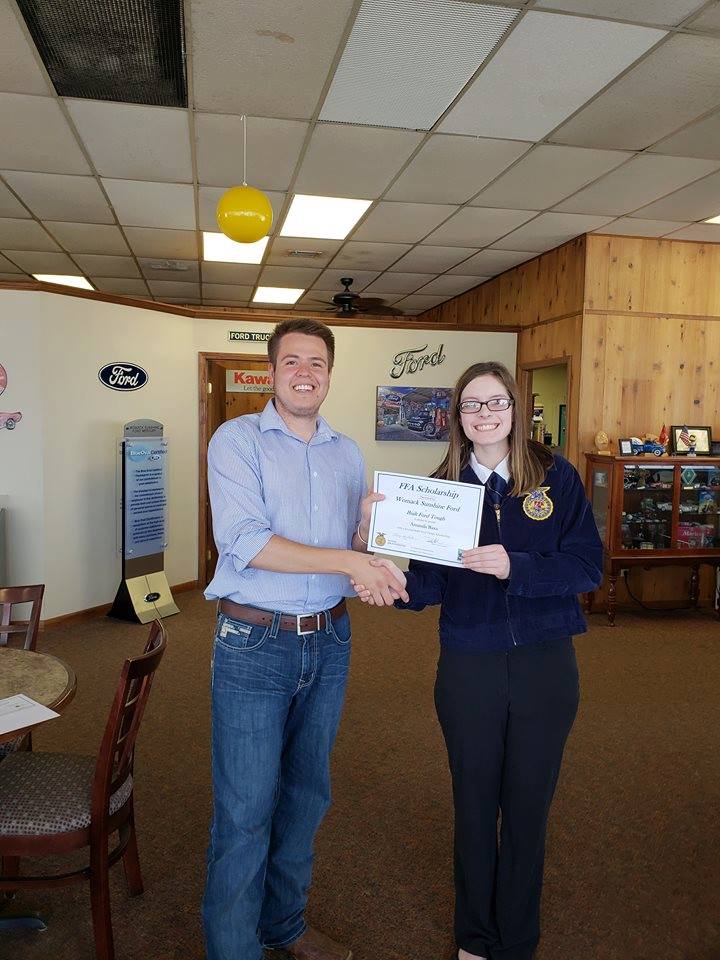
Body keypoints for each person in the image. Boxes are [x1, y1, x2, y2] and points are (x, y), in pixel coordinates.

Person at [355, 361, 603, 960]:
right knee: (473, 803)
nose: (485, 414)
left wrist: (517, 566)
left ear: (516, 410)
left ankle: (515, 940)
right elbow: (430, 589)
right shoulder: (439, 488)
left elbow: (587, 566)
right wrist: (376, 564)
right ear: (457, 417)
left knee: (526, 807)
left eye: (496, 403)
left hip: (545, 664)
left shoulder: (555, 477)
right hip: (470, 666)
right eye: (471, 404)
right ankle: (475, 938)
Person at [203, 317, 407, 960]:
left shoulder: (347, 452)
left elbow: (346, 549)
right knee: (244, 813)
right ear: (271, 371)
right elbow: (247, 544)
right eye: (291, 361)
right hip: (253, 645)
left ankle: (283, 927)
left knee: (306, 798)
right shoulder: (234, 442)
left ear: (329, 374)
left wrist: (371, 546)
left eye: (316, 362)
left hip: (329, 642)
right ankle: (233, 949)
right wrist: (351, 563)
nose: (304, 372)